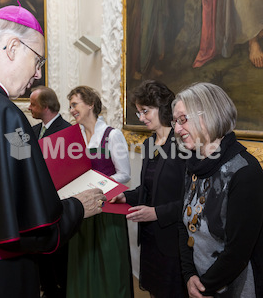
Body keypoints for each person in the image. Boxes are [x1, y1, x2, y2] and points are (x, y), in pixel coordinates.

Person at [0, 4, 106, 298]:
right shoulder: (5, 116)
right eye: (38, 60)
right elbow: (34, 225)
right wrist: (79, 207)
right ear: (13, 47)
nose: (38, 73)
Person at [171, 82, 263, 297]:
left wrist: (204, 287)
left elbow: (238, 252)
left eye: (183, 119)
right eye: (175, 121)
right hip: (199, 282)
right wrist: (189, 275)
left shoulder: (245, 172)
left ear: (208, 114)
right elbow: (184, 223)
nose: (176, 129)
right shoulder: (193, 164)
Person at [110, 80, 188, 298]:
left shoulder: (183, 144)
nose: (141, 118)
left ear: (162, 108)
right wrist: (125, 196)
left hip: (174, 240)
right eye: (138, 113)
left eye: (145, 111)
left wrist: (156, 213)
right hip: (150, 238)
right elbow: (147, 189)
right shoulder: (150, 144)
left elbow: (193, 199)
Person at [66, 85, 133, 298]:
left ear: (90, 104)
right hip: (81, 210)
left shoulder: (112, 135)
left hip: (107, 211)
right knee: (82, 261)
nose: (72, 110)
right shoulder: (73, 138)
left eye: (75, 104)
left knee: (110, 262)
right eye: (70, 106)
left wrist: (97, 186)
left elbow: (124, 173)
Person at [29, 85, 71, 298]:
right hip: (36, 204)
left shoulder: (67, 130)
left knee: (59, 258)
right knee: (41, 256)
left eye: (33, 104)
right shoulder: (33, 130)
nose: (29, 108)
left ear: (46, 106)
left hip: (58, 203)